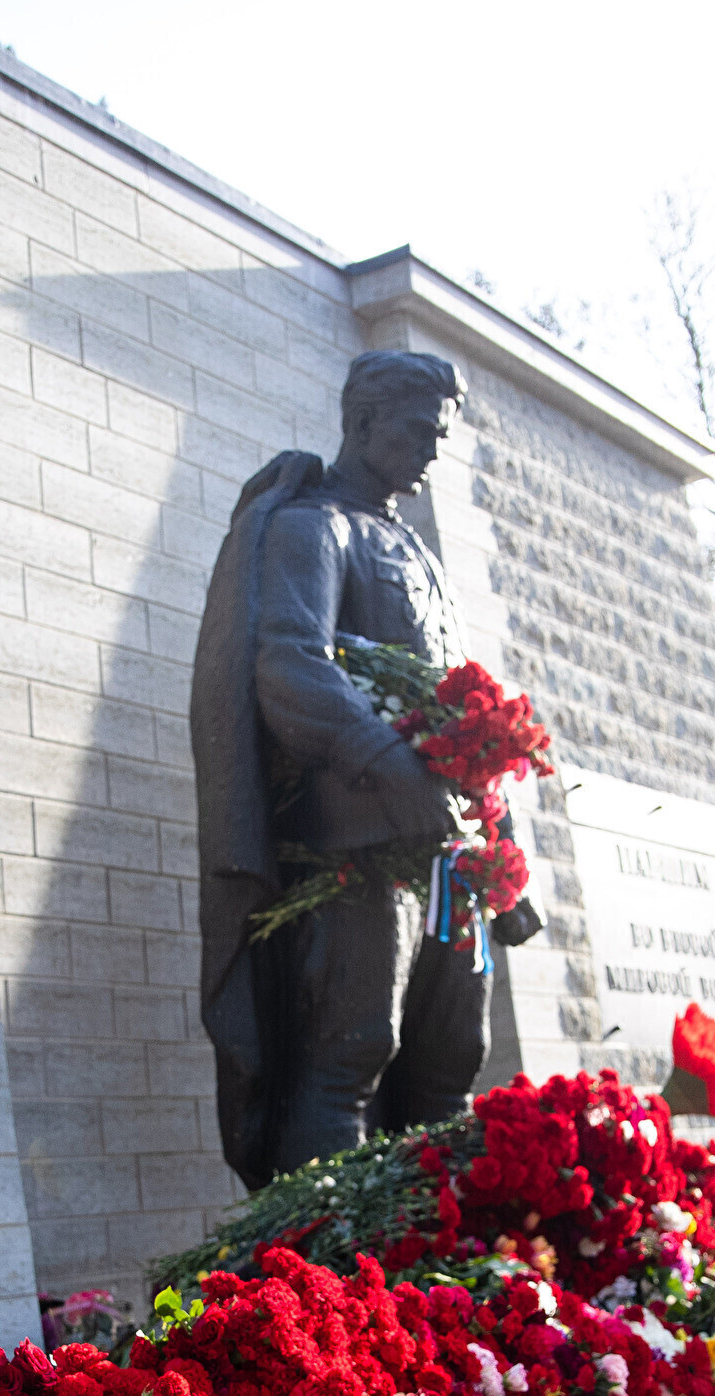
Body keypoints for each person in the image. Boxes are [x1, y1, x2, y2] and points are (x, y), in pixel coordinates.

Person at [189, 350, 511, 1188]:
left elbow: (465, 711)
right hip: (358, 848)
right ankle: (326, 1258)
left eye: (440, 436)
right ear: (364, 422)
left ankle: (432, 1250)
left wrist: (502, 851)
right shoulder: (313, 527)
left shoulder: (420, 553)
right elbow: (289, 665)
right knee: (352, 1051)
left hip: (447, 856)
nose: (432, 451)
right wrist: (392, 768)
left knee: (452, 1057)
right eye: (418, 431)